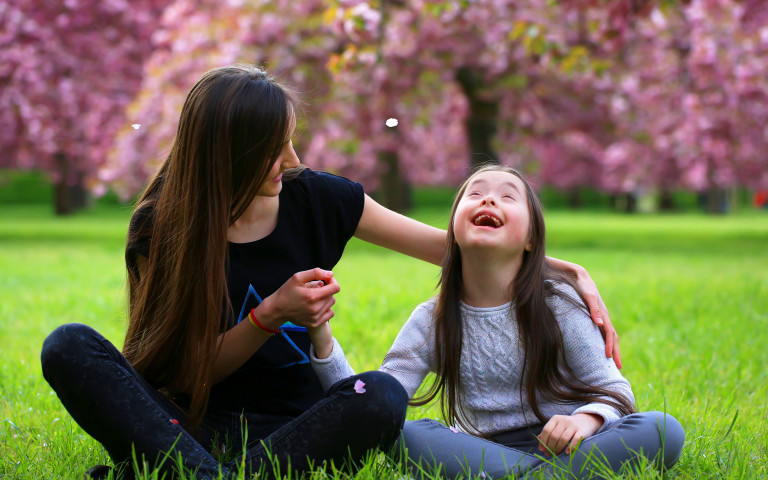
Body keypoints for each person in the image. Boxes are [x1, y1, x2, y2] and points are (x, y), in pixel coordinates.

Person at [40, 65, 621, 479]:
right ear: (229, 156)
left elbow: (452, 246)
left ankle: (190, 474)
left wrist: (564, 270)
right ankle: (205, 469)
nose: (292, 161)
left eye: (291, 142)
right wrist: (270, 316)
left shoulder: (317, 198)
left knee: (382, 395)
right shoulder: (159, 227)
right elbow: (187, 374)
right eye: (275, 150)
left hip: (298, 428)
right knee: (68, 346)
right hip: (187, 417)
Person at [309, 165, 685, 479]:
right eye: (475, 194)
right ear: (453, 230)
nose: (488, 199)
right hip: (484, 453)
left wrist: (584, 422)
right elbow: (376, 403)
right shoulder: (431, 319)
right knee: (399, 434)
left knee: (663, 428)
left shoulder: (560, 303)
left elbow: (613, 390)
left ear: (531, 239)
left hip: (574, 446)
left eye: (508, 196)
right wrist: (322, 342)